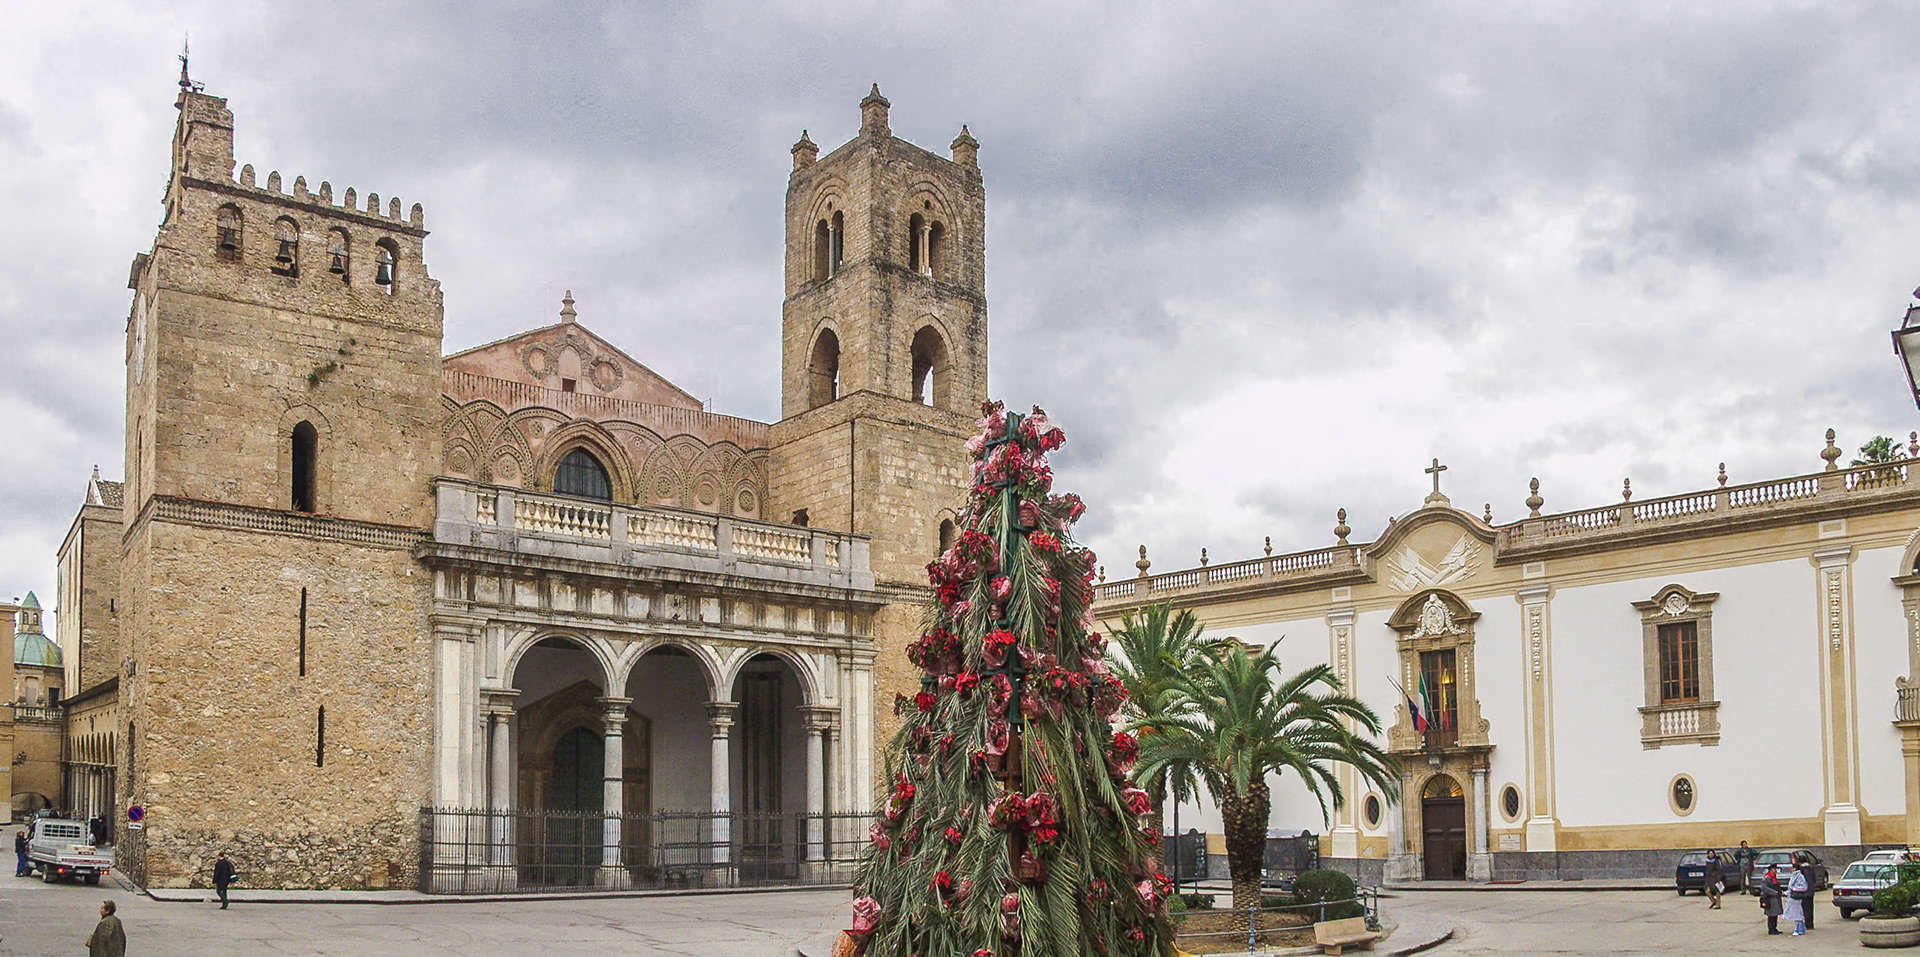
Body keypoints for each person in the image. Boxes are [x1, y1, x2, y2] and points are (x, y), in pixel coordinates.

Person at [1758, 865, 1784, 935]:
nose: (1776, 871)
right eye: (1774, 869)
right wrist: (1773, 892)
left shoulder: (1774, 878)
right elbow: (1764, 888)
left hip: (1776, 898)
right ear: (1771, 870)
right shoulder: (1766, 878)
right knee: (1771, 915)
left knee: (1775, 914)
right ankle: (1771, 929)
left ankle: (1774, 928)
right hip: (1770, 899)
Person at [1786, 865, 1810, 936]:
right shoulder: (1793, 876)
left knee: (1797, 913)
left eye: (1793, 868)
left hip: (1796, 897)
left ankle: (1799, 929)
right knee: (1796, 913)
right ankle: (1801, 927)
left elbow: (1804, 887)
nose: (1791, 869)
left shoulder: (1799, 876)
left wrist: (1794, 889)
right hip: (1792, 897)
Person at [1795, 859, 1816, 930]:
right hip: (1811, 892)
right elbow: (1814, 880)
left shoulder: (1801, 871)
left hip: (1804, 892)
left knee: (1805, 909)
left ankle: (1805, 924)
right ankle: (1810, 924)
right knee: (1810, 908)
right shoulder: (1811, 869)